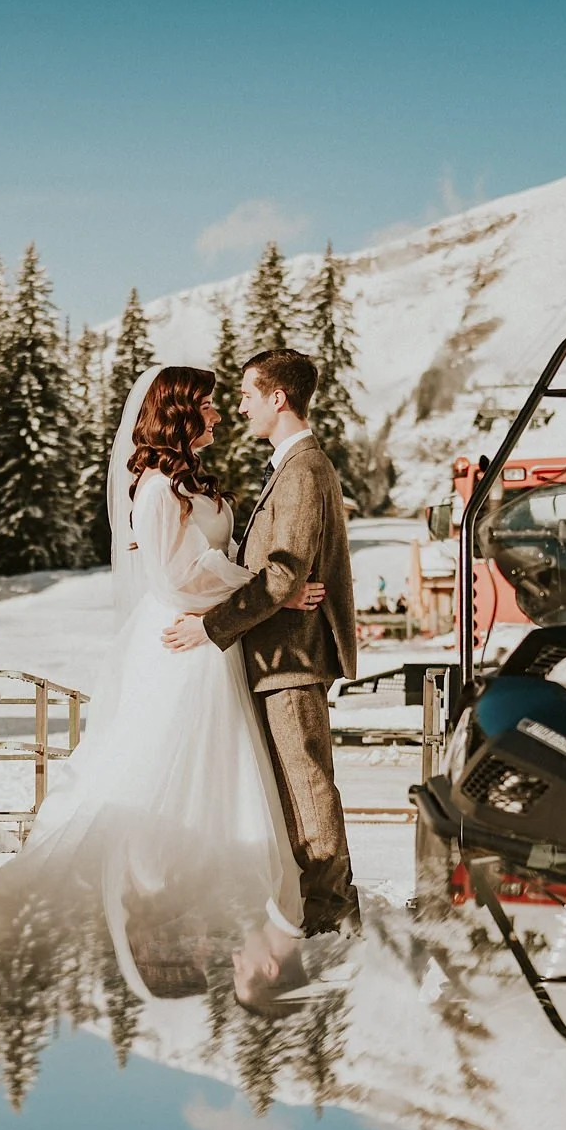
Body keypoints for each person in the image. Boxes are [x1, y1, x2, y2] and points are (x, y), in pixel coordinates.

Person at [0, 365, 322, 1005]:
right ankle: (149, 900)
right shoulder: (158, 487)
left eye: (224, 404)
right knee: (159, 766)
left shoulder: (195, 481)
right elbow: (173, 577)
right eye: (210, 406)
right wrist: (263, 589)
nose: (219, 415)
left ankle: (199, 903)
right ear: (181, 411)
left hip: (208, 639)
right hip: (177, 641)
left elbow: (222, 560)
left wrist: (266, 591)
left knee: (218, 769)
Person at [161, 350, 360, 936]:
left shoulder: (303, 470)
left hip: (290, 659)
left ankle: (333, 918)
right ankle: (319, 910)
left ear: (279, 398)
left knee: (308, 790)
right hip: (277, 656)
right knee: (298, 789)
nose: (238, 405)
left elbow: (283, 573)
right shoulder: (289, 466)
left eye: (248, 392)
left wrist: (209, 626)